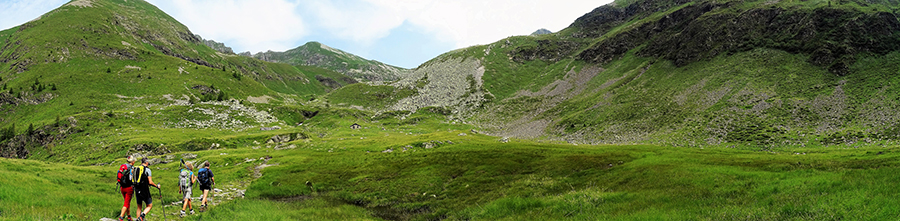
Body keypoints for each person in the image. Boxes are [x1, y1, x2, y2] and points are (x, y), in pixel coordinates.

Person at [117, 156, 137, 221]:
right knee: (126, 203)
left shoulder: (123, 166)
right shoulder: (132, 168)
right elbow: (133, 179)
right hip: (129, 188)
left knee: (127, 202)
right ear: (133, 162)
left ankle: (129, 217)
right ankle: (121, 217)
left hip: (122, 187)